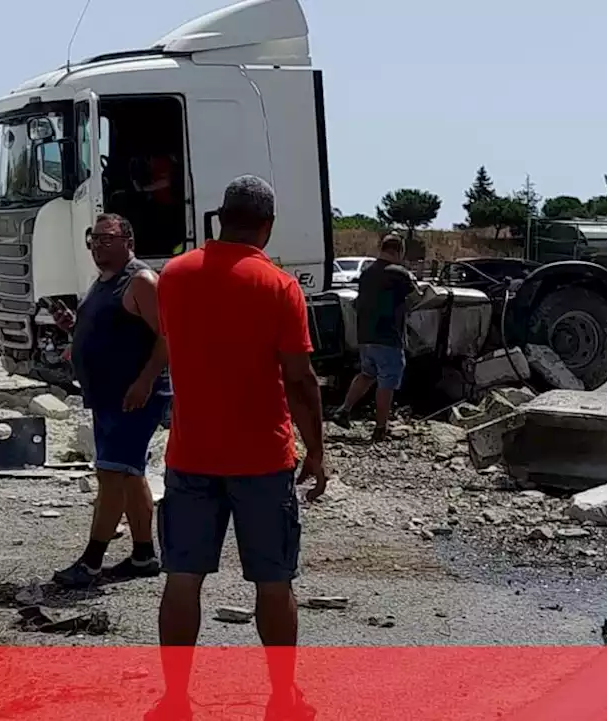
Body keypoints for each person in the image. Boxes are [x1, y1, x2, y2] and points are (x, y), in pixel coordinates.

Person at [148, 176, 326, 721]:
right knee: (274, 584)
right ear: (267, 226)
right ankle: (281, 699)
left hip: (191, 453)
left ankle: (176, 700)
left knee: (183, 580)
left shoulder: (174, 277)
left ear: (219, 217)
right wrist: (317, 451)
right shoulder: (278, 287)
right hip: (261, 457)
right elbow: (299, 379)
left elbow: (177, 346)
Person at [51, 214, 169, 587]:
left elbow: (169, 337)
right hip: (105, 397)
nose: (97, 245)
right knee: (131, 475)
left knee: (112, 475)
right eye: (94, 238)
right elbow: (110, 328)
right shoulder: (102, 283)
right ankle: (144, 555)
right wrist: (72, 326)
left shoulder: (141, 280)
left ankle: (90, 562)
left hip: (133, 397)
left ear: (127, 240)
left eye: (106, 238)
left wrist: (145, 381)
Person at [330, 233, 421, 440]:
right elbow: (416, 299)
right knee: (387, 381)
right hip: (388, 335)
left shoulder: (367, 273)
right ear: (400, 251)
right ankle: (381, 428)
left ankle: (344, 410)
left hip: (365, 335)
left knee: (367, 374)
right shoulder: (399, 273)